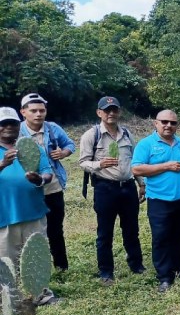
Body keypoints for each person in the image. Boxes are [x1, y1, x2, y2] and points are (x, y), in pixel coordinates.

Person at [78, 96, 145, 285]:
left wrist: (141, 184)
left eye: (115, 109)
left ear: (119, 112)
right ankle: (106, 271)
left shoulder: (127, 134)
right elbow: (82, 162)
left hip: (128, 187)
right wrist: (99, 164)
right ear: (99, 112)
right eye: (107, 110)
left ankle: (136, 265)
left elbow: (135, 161)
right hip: (105, 188)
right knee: (105, 232)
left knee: (131, 229)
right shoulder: (91, 135)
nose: (111, 113)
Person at [131, 110, 180, 293]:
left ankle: (178, 268)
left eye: (173, 123)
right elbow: (136, 169)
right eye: (164, 122)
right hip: (159, 199)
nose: (168, 126)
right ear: (156, 123)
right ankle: (164, 276)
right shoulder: (146, 144)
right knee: (161, 237)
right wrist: (166, 166)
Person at [0, 107, 54, 295]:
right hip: (4, 217)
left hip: (34, 213)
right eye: (3, 123)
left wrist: (39, 179)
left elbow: (47, 172)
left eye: (12, 123)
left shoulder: (32, 147)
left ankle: (41, 294)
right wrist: (2, 164)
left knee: (37, 257)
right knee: (6, 261)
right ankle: (9, 299)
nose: (8, 127)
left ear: (19, 125)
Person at [19, 93, 75, 272]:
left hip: (53, 186)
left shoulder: (52, 128)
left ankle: (61, 266)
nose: (38, 114)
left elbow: (70, 144)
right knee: (30, 230)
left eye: (41, 110)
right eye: (33, 110)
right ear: (23, 112)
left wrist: (63, 153)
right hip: (28, 190)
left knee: (55, 228)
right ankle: (33, 268)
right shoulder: (16, 132)